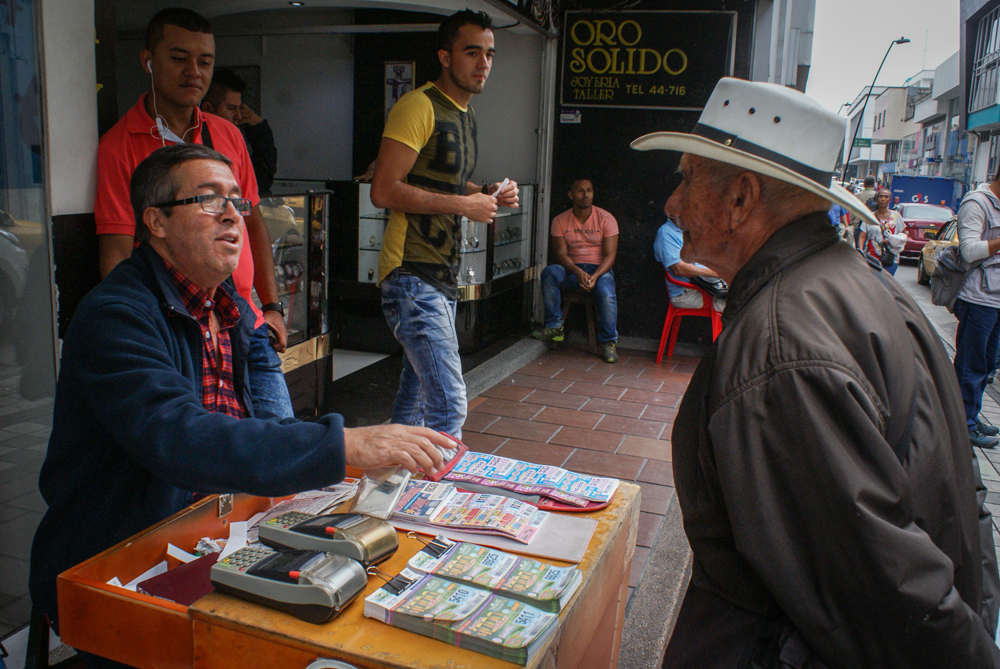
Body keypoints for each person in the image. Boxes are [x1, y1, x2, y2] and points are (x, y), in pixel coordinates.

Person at [30, 145, 456, 669]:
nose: (234, 214)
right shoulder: (115, 316)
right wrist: (346, 443)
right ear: (156, 222)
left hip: (215, 531)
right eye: (208, 201)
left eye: (237, 200)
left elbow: (256, 430)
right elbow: (183, 438)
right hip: (119, 558)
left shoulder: (224, 304)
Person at [632, 77, 1000, 668]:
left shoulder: (782, 349)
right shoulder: (858, 283)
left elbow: (883, 586)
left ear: (741, 198)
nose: (673, 202)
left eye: (687, 178)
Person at [94, 8, 293, 420]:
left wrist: (271, 305)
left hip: (242, 314)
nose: (194, 72)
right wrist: (135, 326)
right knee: (203, 451)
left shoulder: (228, 133)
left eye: (204, 62)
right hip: (176, 322)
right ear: (148, 60)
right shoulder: (119, 146)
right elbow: (115, 252)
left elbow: (251, 218)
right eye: (179, 58)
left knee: (282, 436)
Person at [370, 9, 517, 438]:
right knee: (450, 406)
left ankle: (388, 492)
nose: (483, 62)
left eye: (489, 54)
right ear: (446, 56)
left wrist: (486, 191)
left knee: (413, 407)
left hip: (440, 274)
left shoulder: (465, 115)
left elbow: (443, 179)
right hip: (411, 273)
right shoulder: (418, 104)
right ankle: (432, 501)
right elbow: (384, 188)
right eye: (472, 52)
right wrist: (463, 205)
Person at [532, 178, 619, 363]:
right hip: (571, 269)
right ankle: (555, 326)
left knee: (606, 294)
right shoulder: (560, 220)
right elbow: (561, 254)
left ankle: (608, 343)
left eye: (589, 190)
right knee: (549, 273)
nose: (585, 195)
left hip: (600, 270)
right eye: (580, 191)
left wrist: (594, 276)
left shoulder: (606, 218)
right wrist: (577, 272)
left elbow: (610, 256)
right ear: (571, 195)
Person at [952, 174, 1000, 449]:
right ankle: (962, 424)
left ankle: (972, 415)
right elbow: (969, 251)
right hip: (978, 299)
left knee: (989, 363)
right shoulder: (977, 203)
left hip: (997, 299)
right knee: (972, 364)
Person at [200, 67, 278, 195]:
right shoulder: (192, 141)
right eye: (231, 108)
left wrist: (259, 130)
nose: (239, 116)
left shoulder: (234, 141)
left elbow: (260, 183)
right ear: (207, 109)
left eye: (239, 108)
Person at [653, 212, 724, 312]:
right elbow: (679, 269)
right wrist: (717, 274)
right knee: (738, 305)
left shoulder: (692, 231)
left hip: (710, 288)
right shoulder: (666, 232)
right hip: (687, 292)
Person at [858, 188, 907, 275]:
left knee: (886, 284)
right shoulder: (870, 216)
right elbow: (862, 236)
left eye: (886, 197)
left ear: (890, 200)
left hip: (891, 258)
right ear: (877, 199)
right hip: (872, 258)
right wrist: (861, 253)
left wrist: (894, 241)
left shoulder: (896, 216)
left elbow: (904, 234)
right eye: (881, 196)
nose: (883, 199)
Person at [852, 175, 877, 248]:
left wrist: (852, 222)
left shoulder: (857, 195)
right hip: (872, 225)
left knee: (859, 248)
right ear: (873, 184)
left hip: (858, 225)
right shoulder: (877, 195)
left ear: (864, 184)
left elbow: (852, 211)